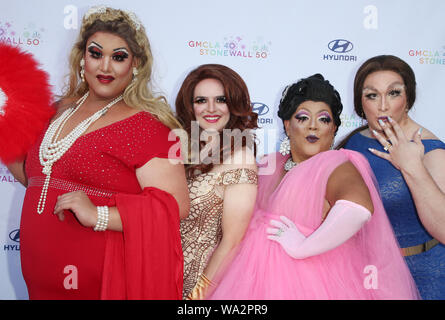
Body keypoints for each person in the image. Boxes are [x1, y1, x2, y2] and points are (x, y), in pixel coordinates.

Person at [6, 6, 189, 299]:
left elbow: (174, 208)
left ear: (136, 65)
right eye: (96, 53)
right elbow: (37, 178)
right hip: (38, 271)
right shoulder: (57, 111)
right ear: (82, 59)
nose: (105, 67)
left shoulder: (147, 126)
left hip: (98, 276)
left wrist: (98, 215)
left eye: (118, 57)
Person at [208, 74, 419, 299]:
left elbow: (357, 209)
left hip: (314, 284)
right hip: (251, 282)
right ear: (288, 126)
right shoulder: (272, 163)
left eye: (324, 119)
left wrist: (303, 247)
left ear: (334, 128)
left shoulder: (334, 164)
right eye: (303, 117)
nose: (313, 126)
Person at [337, 55, 445, 299]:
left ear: (408, 99)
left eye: (393, 93)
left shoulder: (431, 149)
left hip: (422, 277)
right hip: (362, 274)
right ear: (360, 102)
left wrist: (411, 167)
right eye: (372, 95)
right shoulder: (354, 142)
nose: (383, 105)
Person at [175, 64, 258, 299]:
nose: (211, 109)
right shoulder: (185, 150)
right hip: (165, 276)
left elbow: (232, 241)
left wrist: (197, 296)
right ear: (190, 106)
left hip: (203, 288)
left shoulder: (240, 157)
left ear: (234, 103)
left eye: (221, 99)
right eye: (201, 100)